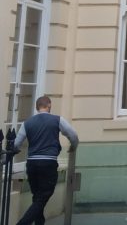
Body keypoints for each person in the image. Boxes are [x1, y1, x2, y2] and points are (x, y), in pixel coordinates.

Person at [13, 96, 78, 225]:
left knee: (37, 197)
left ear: (37, 107)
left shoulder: (27, 123)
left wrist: (14, 151)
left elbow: (16, 144)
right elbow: (73, 135)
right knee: (43, 197)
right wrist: (73, 146)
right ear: (48, 105)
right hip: (48, 162)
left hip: (31, 163)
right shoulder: (57, 119)